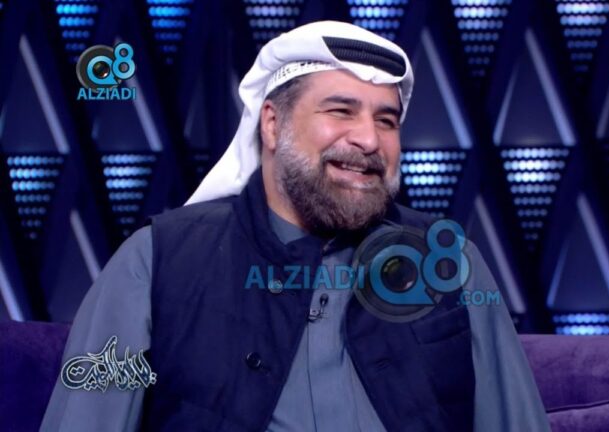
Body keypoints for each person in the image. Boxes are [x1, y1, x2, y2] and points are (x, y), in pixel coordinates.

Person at [42, 21, 550, 431]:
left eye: (386, 120)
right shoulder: (155, 262)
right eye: (341, 110)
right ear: (272, 124)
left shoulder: (447, 262)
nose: (369, 140)